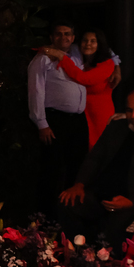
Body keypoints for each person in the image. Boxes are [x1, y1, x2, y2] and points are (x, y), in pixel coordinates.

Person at [57, 89, 134, 249]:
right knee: (67, 204)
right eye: (129, 110)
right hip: (99, 193)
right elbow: (95, 158)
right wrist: (79, 184)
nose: (133, 116)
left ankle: (103, 265)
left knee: (114, 231)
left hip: (130, 199)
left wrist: (132, 202)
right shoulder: (117, 127)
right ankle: (71, 256)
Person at [28, 21, 90, 215]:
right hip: (55, 121)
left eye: (67, 34)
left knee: (78, 169)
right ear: (52, 37)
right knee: (52, 171)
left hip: (78, 121)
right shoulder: (43, 58)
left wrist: (117, 64)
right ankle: (45, 217)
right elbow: (35, 91)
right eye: (59, 34)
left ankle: (70, 215)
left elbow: (105, 50)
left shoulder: (79, 54)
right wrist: (41, 123)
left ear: (73, 37)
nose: (63, 38)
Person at [37, 29, 119, 148]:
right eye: (85, 40)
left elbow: (84, 78)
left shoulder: (107, 64)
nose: (88, 44)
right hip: (82, 116)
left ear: (99, 44)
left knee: (99, 150)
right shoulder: (79, 59)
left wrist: (62, 57)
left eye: (93, 41)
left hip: (99, 116)